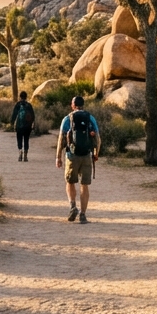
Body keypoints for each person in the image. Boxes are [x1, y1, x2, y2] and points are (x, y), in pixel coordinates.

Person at [55, 95, 101, 223]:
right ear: (83, 105)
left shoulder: (67, 119)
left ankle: (73, 206)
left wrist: (58, 157)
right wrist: (96, 153)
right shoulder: (90, 118)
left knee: (70, 182)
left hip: (72, 155)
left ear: (73, 105)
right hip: (86, 155)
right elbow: (97, 138)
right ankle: (83, 214)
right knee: (84, 185)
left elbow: (61, 139)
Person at [11, 91, 36, 161]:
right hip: (27, 126)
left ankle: (20, 152)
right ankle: (25, 155)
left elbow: (14, 115)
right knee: (26, 140)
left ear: (20, 97)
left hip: (19, 126)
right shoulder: (29, 105)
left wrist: (12, 123)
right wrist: (32, 124)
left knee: (19, 139)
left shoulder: (18, 105)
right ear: (26, 97)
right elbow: (33, 116)